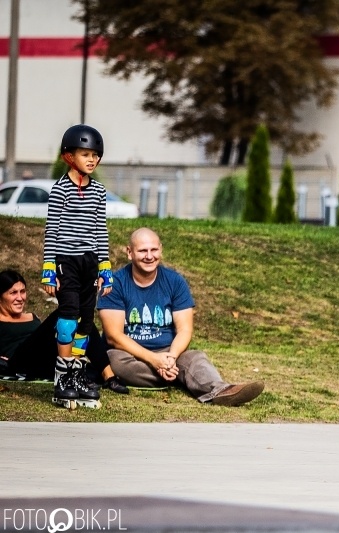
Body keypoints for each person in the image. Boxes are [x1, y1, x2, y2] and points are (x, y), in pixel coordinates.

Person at [97, 228, 264, 406]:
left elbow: (185, 329)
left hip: (169, 351)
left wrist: (171, 357)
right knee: (113, 361)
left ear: (161, 249)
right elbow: (114, 337)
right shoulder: (115, 284)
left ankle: (220, 390)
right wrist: (154, 360)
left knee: (195, 358)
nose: (149, 256)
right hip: (129, 353)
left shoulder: (175, 281)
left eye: (154, 250)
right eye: (143, 251)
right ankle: (180, 377)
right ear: (129, 252)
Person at [42, 124, 115, 408]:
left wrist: (105, 268)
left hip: (90, 262)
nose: (92, 159)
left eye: (95, 155)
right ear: (69, 157)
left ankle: (76, 374)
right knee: (68, 319)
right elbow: (52, 231)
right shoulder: (60, 190)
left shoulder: (99, 191)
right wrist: (49, 268)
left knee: (85, 321)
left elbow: (100, 231)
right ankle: (62, 378)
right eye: (85, 154)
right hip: (66, 262)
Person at [0, 269, 128, 393]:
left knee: (82, 317)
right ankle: (109, 376)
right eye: (13, 293)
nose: (20, 298)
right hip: (19, 362)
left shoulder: (31, 317)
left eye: (22, 292)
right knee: (65, 313)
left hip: (45, 361)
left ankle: (106, 374)